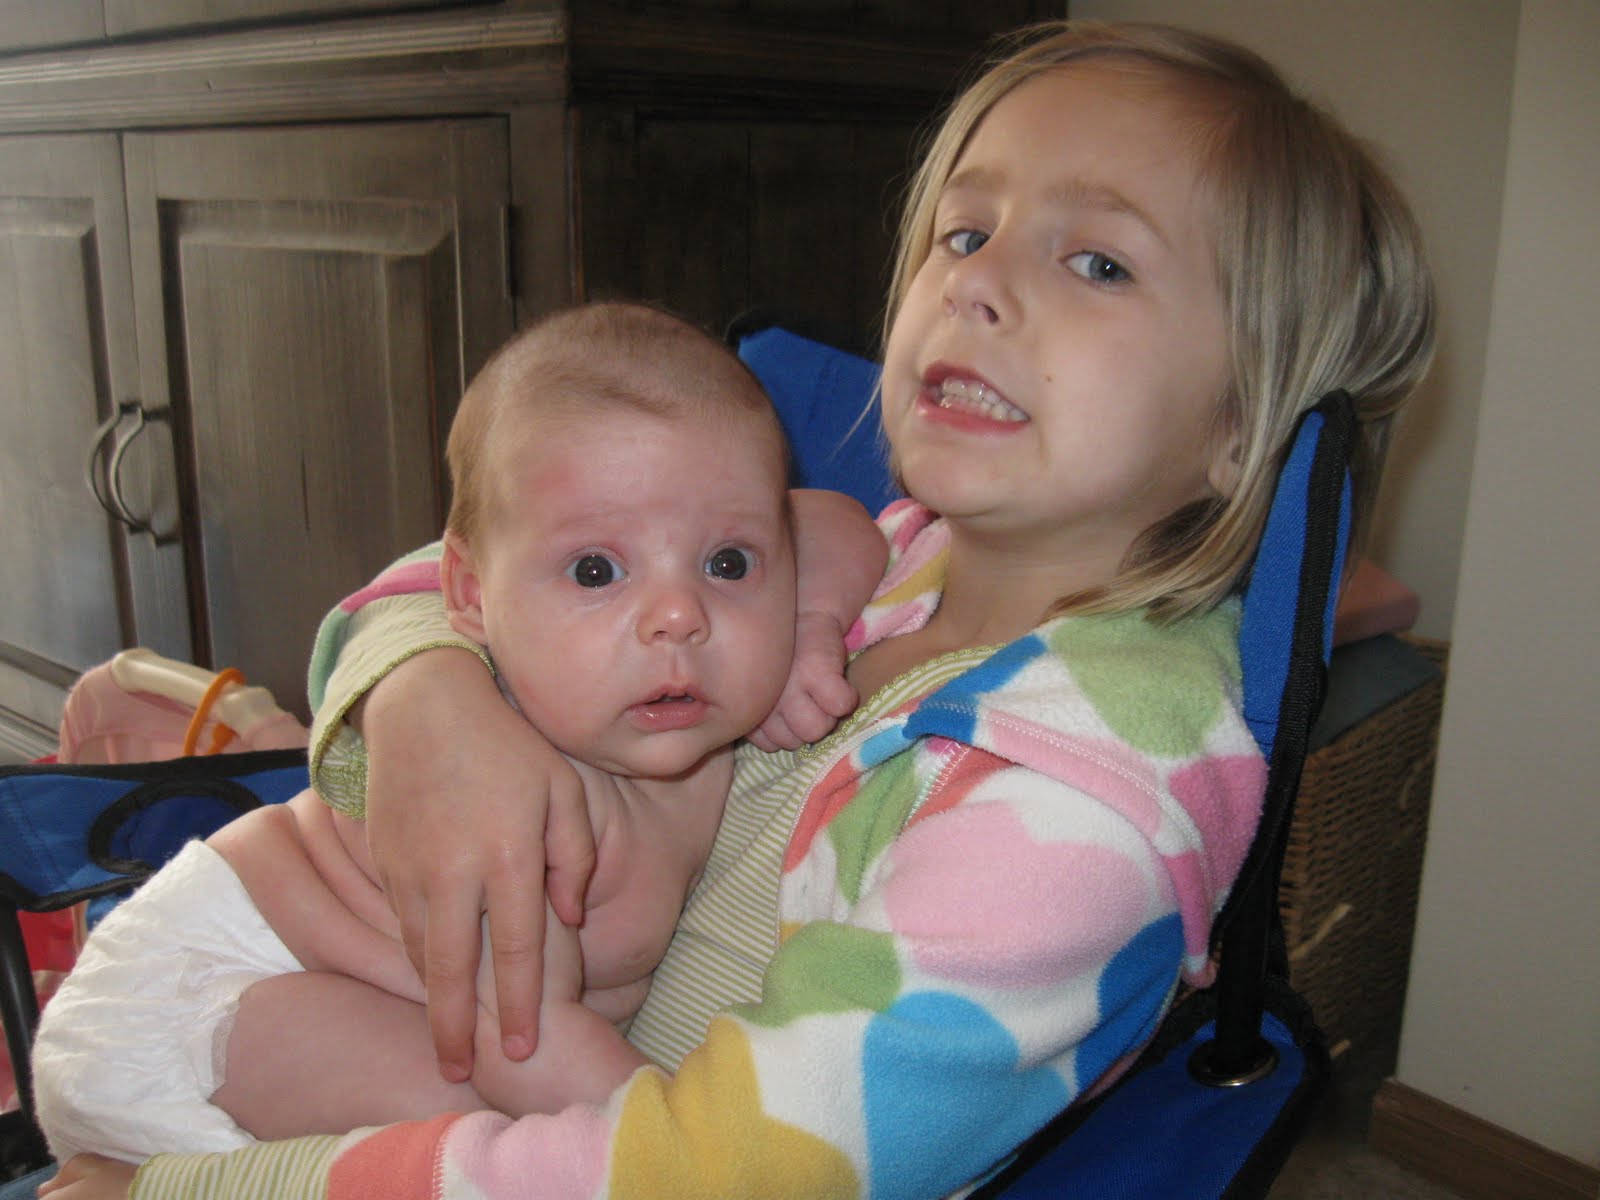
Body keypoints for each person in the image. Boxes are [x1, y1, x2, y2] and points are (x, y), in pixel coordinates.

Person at [40, 18, 1436, 1200]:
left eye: (1099, 263)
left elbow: (718, 1173)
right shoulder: (893, 553)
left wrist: (180, 1194)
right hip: (459, 1029)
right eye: (963, 230)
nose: (977, 283)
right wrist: (430, 701)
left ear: (1243, 424)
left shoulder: (1069, 818)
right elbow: (471, 566)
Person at [31, 302, 886, 1163]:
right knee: (495, 1123)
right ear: (471, 595)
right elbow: (525, 1043)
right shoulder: (521, 800)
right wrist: (698, 1163)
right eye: (596, 570)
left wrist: (811, 621)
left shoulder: (682, 681)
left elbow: (842, 524)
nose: (679, 614)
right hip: (204, 994)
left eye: (727, 562)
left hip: (356, 1003)